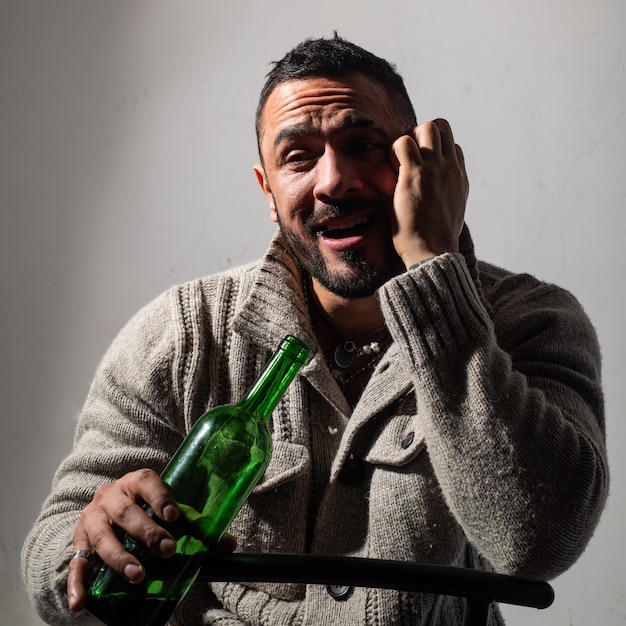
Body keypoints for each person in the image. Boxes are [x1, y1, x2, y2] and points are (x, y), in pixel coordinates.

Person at [22, 34, 608, 625]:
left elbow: (538, 542)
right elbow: (52, 565)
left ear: (423, 164)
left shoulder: (532, 320)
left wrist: (435, 271)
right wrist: (90, 539)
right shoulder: (180, 335)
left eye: (363, 145)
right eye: (298, 157)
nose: (334, 181)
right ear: (268, 191)